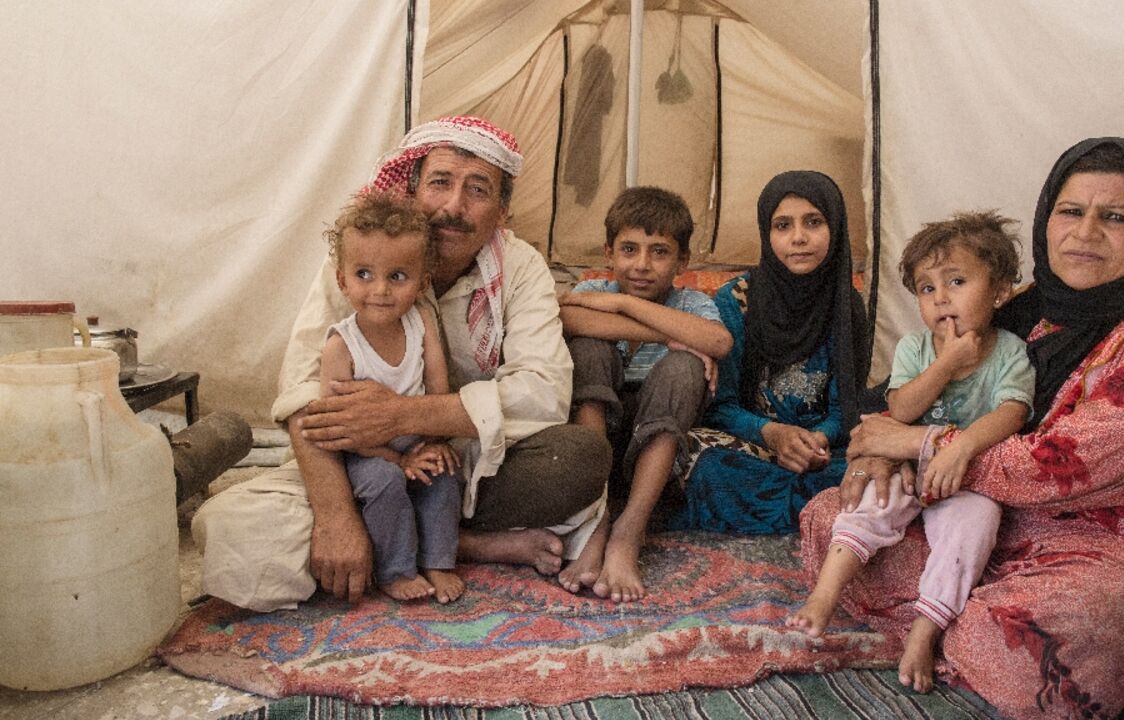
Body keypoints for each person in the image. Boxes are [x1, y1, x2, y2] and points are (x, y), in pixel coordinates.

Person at [802, 138, 1124, 716]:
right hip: (988, 520)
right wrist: (878, 454)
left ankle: (942, 616)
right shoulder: (1025, 309)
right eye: (1070, 211)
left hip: (1113, 555)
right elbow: (907, 403)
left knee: (1085, 626)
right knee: (830, 515)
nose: (1085, 233)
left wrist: (915, 444)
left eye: (1116, 217)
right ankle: (953, 610)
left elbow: (1066, 465)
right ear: (1045, 219)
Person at [192, 116, 610, 612]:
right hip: (362, 462)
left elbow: (543, 392)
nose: (454, 207)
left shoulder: (520, 268)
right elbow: (303, 393)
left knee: (578, 460)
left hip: (462, 464)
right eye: (440, 183)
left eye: (478, 190)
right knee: (231, 528)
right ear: (410, 190)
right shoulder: (360, 259)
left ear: (501, 211)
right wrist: (335, 516)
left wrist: (404, 415)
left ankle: (412, 541)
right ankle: (456, 546)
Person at [786, 211, 1033, 694]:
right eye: (926, 288)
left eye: (956, 281)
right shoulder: (916, 348)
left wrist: (960, 447)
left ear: (1000, 291)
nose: (941, 297)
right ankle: (824, 595)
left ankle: (923, 634)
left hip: (969, 477)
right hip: (906, 465)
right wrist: (946, 364)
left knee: (974, 529)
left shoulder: (1010, 352)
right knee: (864, 503)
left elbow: (1012, 413)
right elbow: (900, 407)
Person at [673, 170, 877, 535]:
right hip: (754, 444)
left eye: (813, 222)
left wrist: (818, 439)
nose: (798, 238)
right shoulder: (737, 300)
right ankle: (821, 510)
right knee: (690, 453)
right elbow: (721, 406)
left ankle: (789, 505)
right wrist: (771, 433)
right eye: (782, 225)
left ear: (836, 227)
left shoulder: (845, 307)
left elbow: (845, 407)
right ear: (767, 235)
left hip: (821, 452)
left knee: (879, 466)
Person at [556, 186, 732, 602]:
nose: (641, 265)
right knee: (588, 348)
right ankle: (595, 521)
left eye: (659, 252)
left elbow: (718, 342)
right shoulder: (590, 293)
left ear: (682, 262)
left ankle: (628, 532)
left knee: (686, 366)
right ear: (609, 253)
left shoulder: (691, 302)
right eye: (630, 250)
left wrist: (624, 307)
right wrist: (672, 332)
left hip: (656, 438)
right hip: (598, 431)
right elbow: (569, 320)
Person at [319, 191, 464, 603]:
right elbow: (339, 428)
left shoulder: (421, 321)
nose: (380, 290)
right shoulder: (341, 346)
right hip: (365, 450)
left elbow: (438, 390)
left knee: (445, 472)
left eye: (397, 277)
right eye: (364, 274)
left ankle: (438, 560)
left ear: (422, 283)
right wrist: (398, 460)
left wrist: (433, 444)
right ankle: (396, 569)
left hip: (415, 433)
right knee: (384, 484)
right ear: (342, 279)